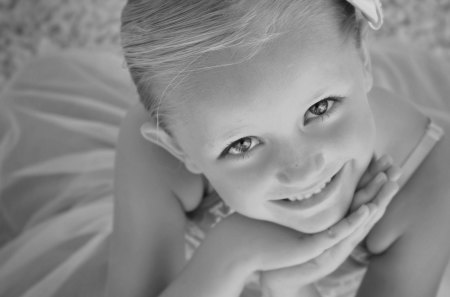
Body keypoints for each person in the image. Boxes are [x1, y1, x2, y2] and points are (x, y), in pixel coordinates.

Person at [105, 0, 450, 297]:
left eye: (320, 108)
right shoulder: (156, 154)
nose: (301, 169)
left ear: (363, 60)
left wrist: (289, 288)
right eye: (242, 144)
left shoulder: (425, 177)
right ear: (181, 151)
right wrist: (229, 254)